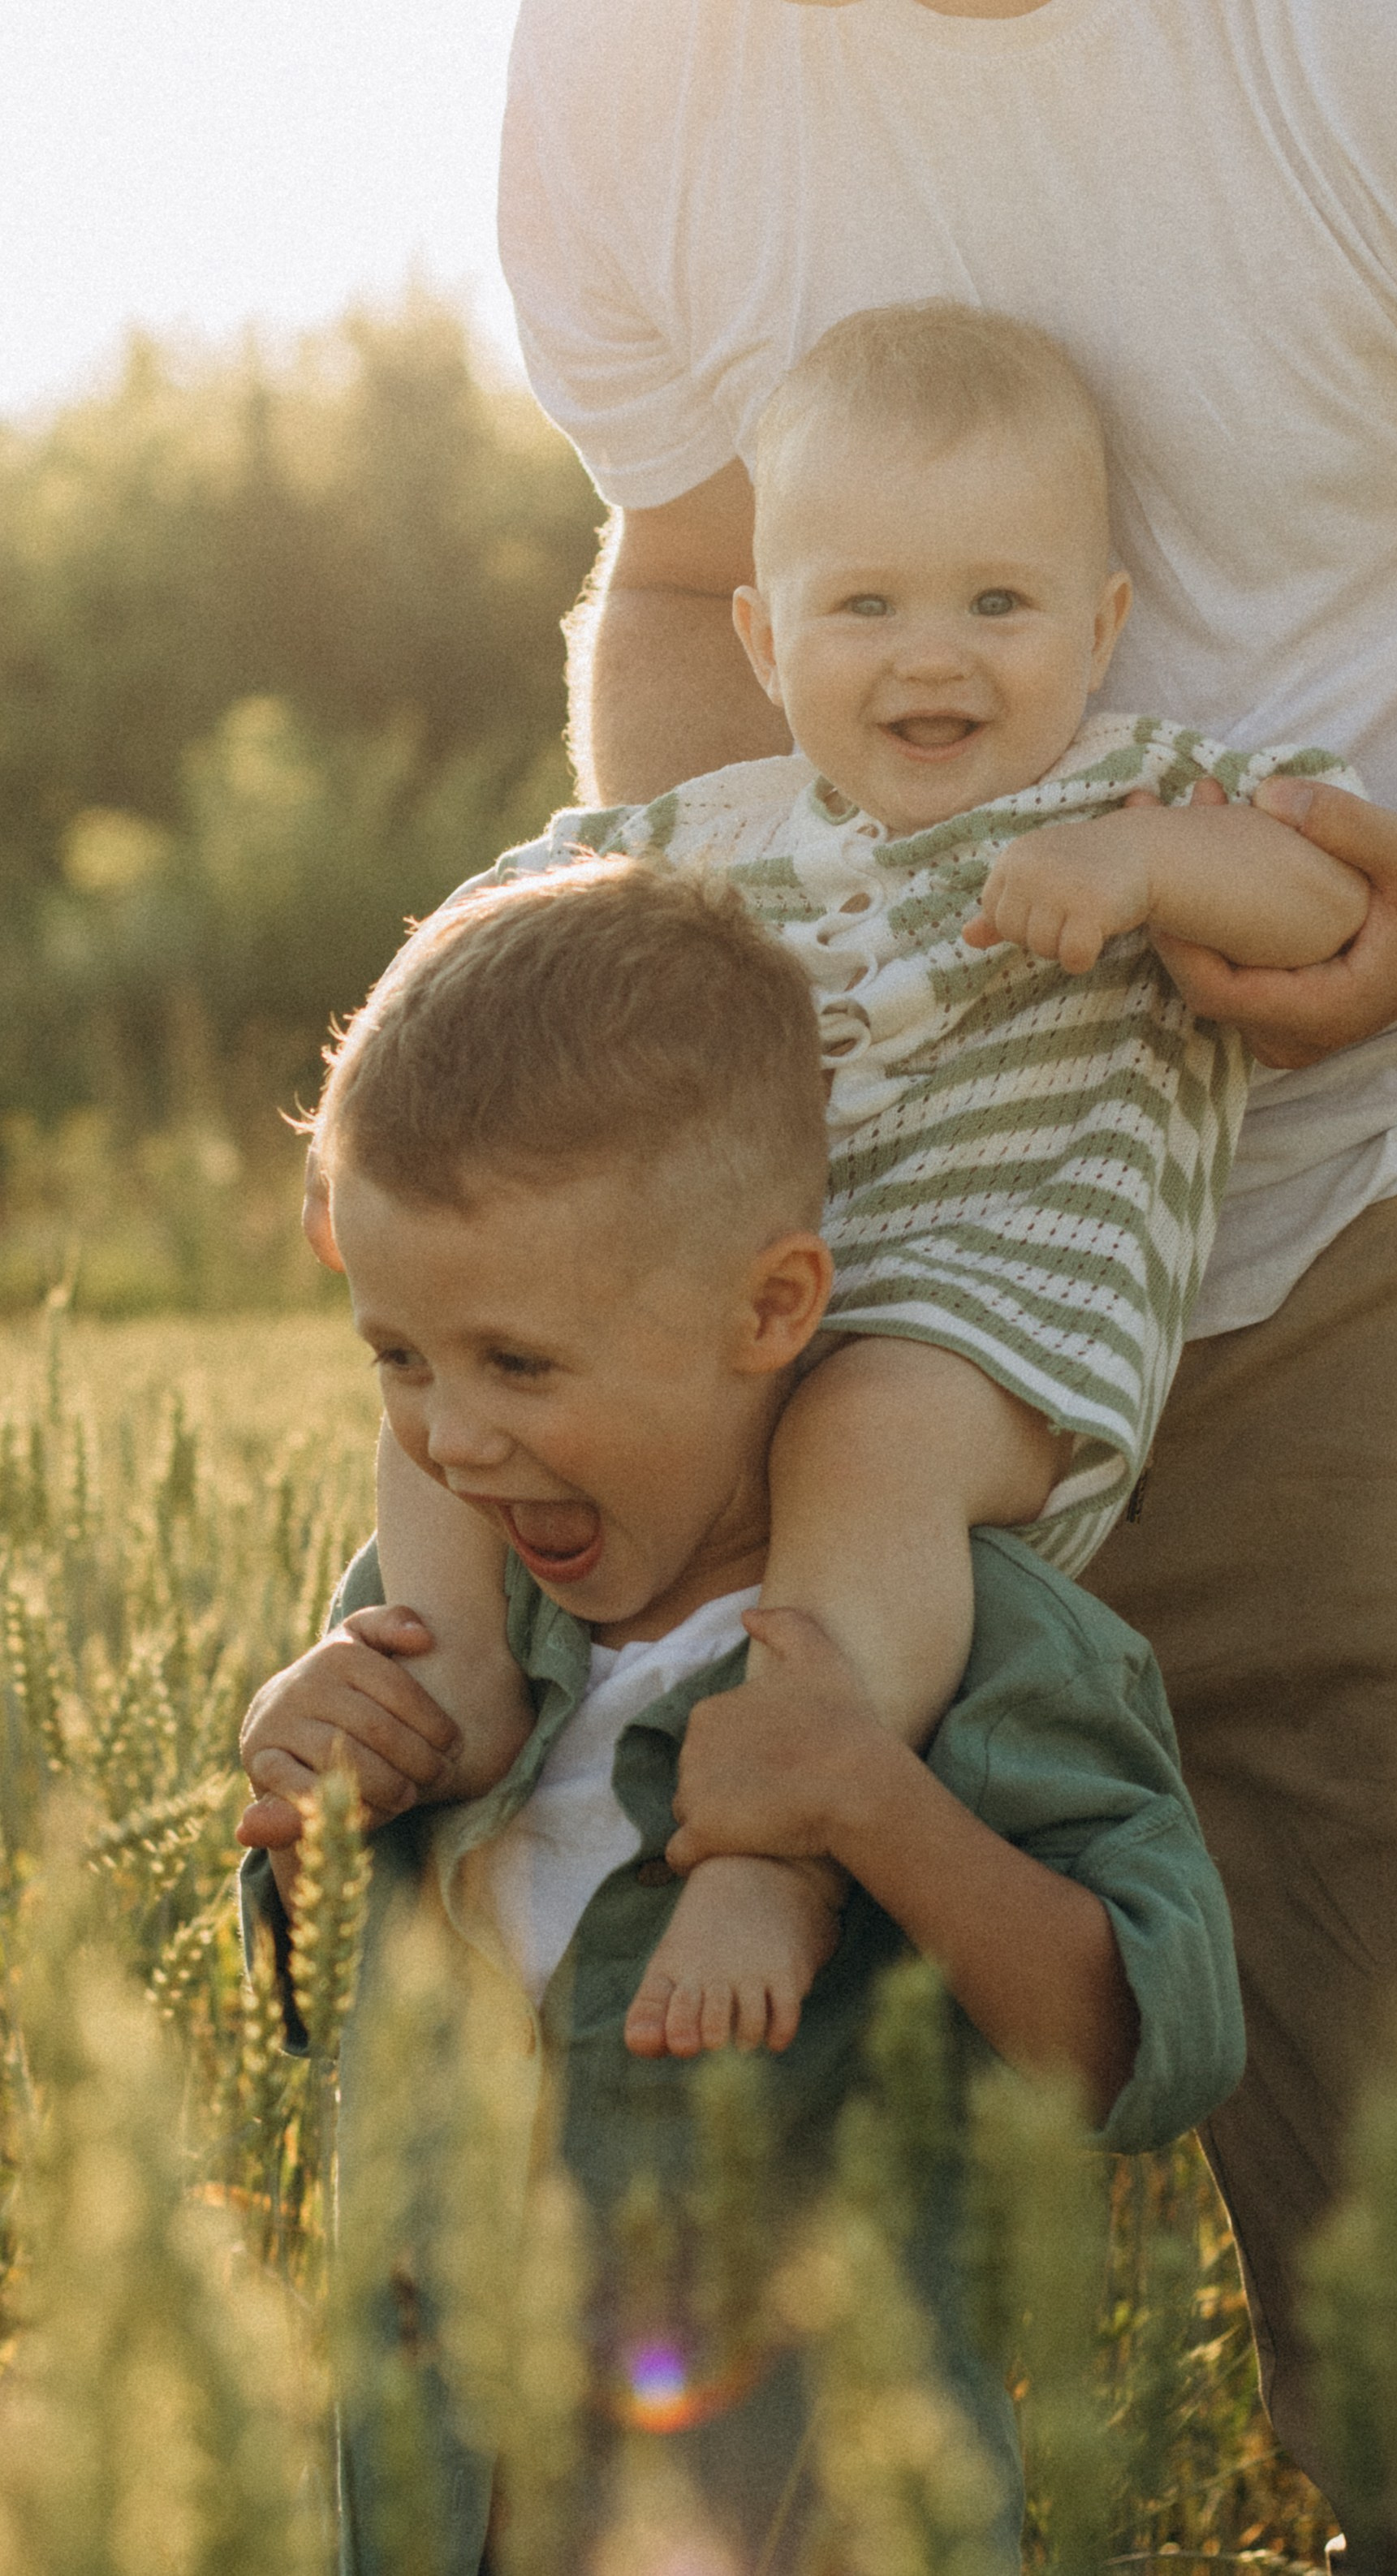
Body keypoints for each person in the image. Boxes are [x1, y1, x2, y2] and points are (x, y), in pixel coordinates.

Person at [495, 5, 1397, 2560]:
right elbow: (690, 570)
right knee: (747, 2347)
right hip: (853, 1300)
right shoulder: (626, 55)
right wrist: (685, 1121)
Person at [250, 304, 1365, 2067]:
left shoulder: (1142, 788)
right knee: (453, 1384)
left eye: (996, 604)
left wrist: (1151, 866)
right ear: (764, 640)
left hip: (989, 1336)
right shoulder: (711, 827)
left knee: (862, 1430)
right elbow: (481, 921)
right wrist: (350, 1110)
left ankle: (774, 1846)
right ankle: (451, 1670)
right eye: (865, 607)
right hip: (751, 1311)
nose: (932, 657)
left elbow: (1332, 914)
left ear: (1101, 628)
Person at [236, 859, 1247, 2570]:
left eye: (519, 1363)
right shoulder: (439, 1625)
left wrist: (869, 1809)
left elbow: (1148, 2049)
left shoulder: (969, 1639)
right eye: (398, 1359)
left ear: (770, 1311)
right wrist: (296, 1790)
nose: (452, 1440)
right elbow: (331, 1997)